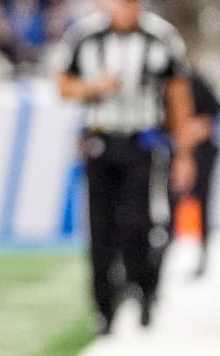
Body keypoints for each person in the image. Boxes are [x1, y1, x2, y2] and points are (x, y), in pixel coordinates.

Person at [53, 0, 195, 334]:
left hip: (141, 142)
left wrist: (184, 153)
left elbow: (178, 96)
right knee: (100, 231)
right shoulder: (84, 36)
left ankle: (143, 290)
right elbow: (62, 84)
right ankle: (104, 309)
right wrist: (92, 88)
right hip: (100, 141)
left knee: (138, 223)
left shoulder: (161, 38)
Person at [169, 69, 219, 278]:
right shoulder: (161, 81)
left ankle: (200, 253)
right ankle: (168, 253)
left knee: (200, 199)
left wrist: (196, 131)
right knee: (170, 201)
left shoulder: (194, 82)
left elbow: (212, 116)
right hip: (172, 149)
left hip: (200, 150)